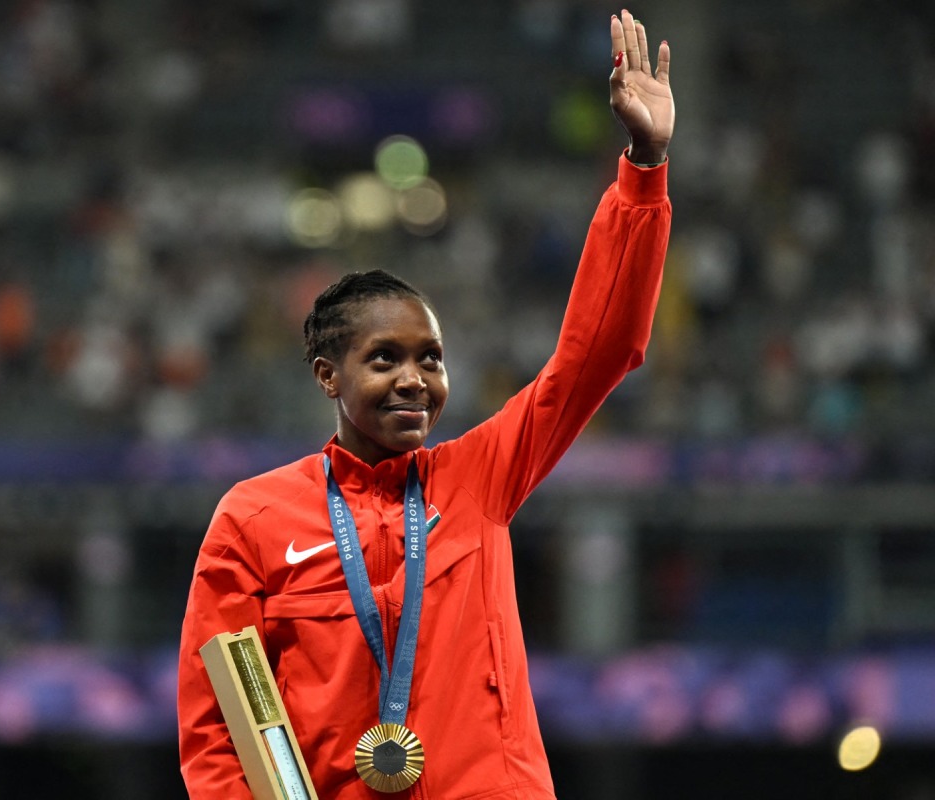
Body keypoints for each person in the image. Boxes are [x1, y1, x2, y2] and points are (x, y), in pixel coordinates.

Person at [178, 9, 673, 798]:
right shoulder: (254, 520)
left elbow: (599, 352)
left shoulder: (480, 478)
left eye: (431, 360)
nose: (415, 379)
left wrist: (643, 165)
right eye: (385, 359)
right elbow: (218, 728)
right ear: (326, 376)